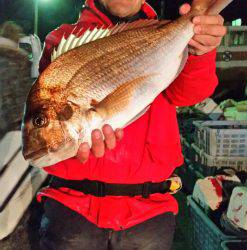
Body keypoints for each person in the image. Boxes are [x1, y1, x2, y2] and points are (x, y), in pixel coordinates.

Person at [38, 0, 227, 249]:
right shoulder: (62, 40)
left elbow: (188, 95)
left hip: (149, 210)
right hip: (72, 208)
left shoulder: (167, 33)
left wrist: (200, 53)